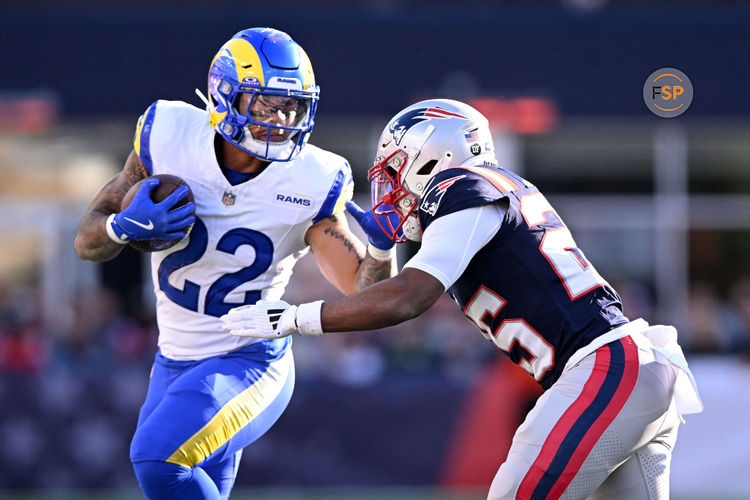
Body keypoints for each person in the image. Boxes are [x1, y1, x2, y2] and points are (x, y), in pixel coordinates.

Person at [221, 99, 704, 499]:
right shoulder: (488, 193)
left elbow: (407, 299)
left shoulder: (464, 186)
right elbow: (374, 296)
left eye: (396, 170)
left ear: (434, 157)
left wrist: (296, 317)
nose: (392, 186)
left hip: (604, 370)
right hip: (632, 369)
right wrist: (381, 243)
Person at [74, 28, 395, 500]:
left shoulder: (312, 178)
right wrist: (121, 227)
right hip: (173, 360)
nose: (282, 120)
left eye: (293, 107)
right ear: (227, 95)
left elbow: (362, 291)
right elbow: (87, 240)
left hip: (248, 360)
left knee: (157, 459)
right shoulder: (168, 135)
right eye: (267, 105)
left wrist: (381, 251)